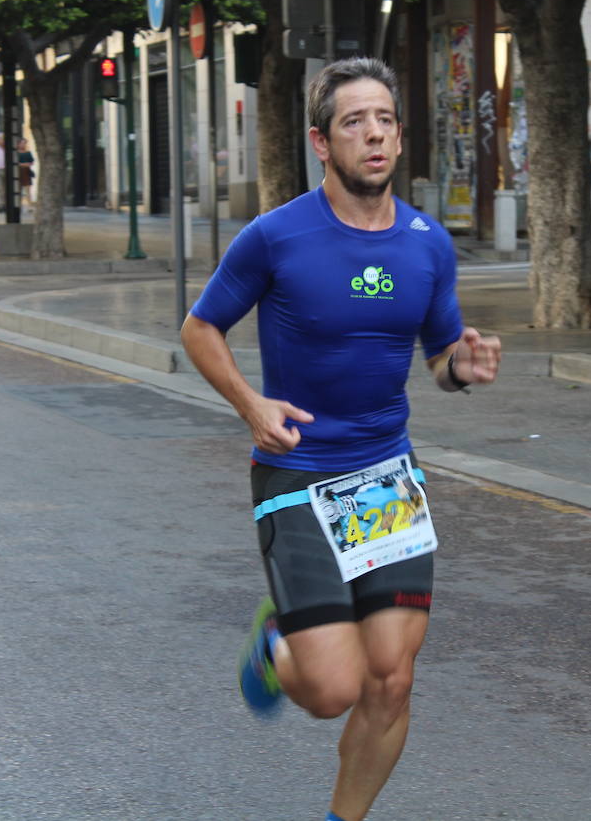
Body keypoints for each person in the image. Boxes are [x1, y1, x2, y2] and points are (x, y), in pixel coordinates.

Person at [180, 57, 501, 821]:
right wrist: (252, 406)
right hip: (298, 472)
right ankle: (278, 646)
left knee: (390, 678)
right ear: (322, 143)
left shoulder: (428, 244)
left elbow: (439, 356)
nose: (375, 134)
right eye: (355, 122)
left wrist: (462, 366)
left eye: (385, 119)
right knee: (332, 691)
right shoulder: (276, 236)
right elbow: (200, 328)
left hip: (384, 478)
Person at [16, 137, 35, 208]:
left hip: (26, 172)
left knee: (28, 190)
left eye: (25, 143)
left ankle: (30, 206)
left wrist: (28, 164)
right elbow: (16, 163)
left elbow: (32, 162)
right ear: (18, 144)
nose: (23, 145)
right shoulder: (16, 153)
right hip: (18, 172)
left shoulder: (28, 153)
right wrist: (23, 164)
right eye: (22, 143)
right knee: (18, 190)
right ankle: (18, 205)